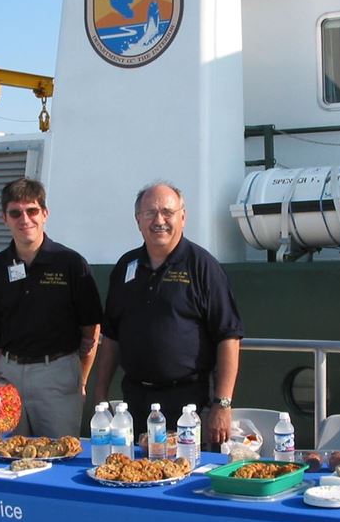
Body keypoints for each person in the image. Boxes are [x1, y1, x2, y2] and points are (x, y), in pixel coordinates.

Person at [93, 182, 244, 447]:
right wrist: (100, 393)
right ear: (138, 220)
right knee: (132, 476)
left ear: (182, 217)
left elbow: (228, 337)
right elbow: (111, 336)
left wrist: (223, 404)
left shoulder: (203, 266)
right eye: (150, 213)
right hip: (135, 404)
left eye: (167, 212)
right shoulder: (126, 267)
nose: (159, 220)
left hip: (189, 405)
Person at [0, 178, 102, 438]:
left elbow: (91, 328)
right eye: (15, 213)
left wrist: (79, 379)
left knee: (59, 454)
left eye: (32, 211)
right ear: (5, 218)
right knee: (9, 453)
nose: (25, 219)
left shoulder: (70, 263)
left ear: (44, 214)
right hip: (8, 373)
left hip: (57, 373)